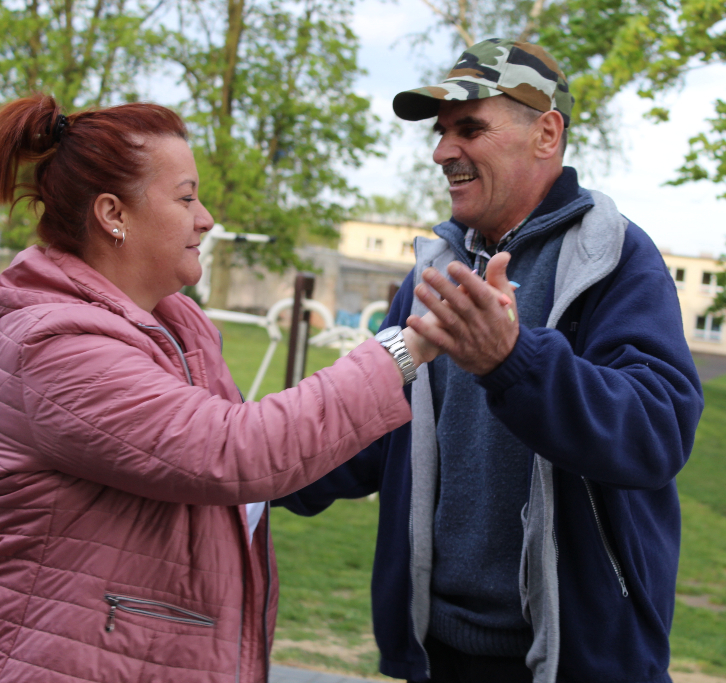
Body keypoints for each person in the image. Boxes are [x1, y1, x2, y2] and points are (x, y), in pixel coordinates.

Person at [0, 94, 464, 683]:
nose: (206, 218)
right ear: (112, 213)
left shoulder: (176, 327)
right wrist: (408, 347)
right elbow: (235, 451)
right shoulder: (53, 345)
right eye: (186, 196)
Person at [276, 38, 704, 683]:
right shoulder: (434, 270)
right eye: (443, 133)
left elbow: (655, 433)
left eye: (469, 128)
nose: (444, 151)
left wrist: (513, 361)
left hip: (577, 662)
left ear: (546, 134)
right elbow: (364, 430)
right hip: (438, 652)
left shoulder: (614, 259)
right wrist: (240, 466)